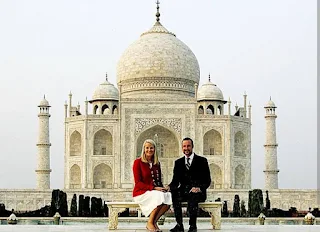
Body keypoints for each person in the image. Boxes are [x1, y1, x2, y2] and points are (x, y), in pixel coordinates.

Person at [167, 137, 211, 232]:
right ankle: (179, 225)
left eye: (188, 146)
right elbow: (175, 181)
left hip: (198, 192)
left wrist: (199, 188)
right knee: (174, 194)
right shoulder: (178, 162)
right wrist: (169, 187)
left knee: (193, 196)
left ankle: (192, 226)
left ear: (192, 147)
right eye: (184, 146)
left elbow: (207, 180)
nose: (186, 148)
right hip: (184, 191)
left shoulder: (202, 161)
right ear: (182, 147)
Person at [133, 139, 172, 232]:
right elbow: (138, 183)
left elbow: (158, 181)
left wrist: (163, 189)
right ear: (143, 149)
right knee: (159, 196)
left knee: (168, 197)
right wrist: (154, 188)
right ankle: (149, 223)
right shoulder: (138, 162)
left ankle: (154, 222)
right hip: (141, 192)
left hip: (153, 191)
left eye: (151, 148)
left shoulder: (156, 163)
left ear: (154, 149)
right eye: (147, 148)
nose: (149, 150)